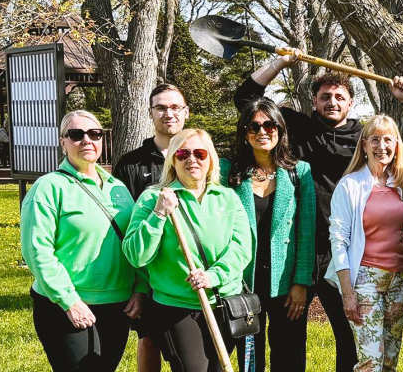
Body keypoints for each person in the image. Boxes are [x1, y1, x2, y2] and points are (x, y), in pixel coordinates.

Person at [235, 57, 403, 371]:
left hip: (343, 255)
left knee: (350, 338)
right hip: (299, 251)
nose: (332, 102)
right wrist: (281, 62)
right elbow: (247, 100)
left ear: (351, 103)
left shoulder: (362, 138)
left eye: (340, 97)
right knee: (290, 338)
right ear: (314, 101)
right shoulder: (297, 128)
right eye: (325, 96)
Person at [20, 110, 144, 371]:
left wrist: (140, 288)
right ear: (63, 142)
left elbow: (135, 243)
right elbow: (37, 251)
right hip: (66, 306)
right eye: (76, 135)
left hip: (117, 304)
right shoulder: (48, 187)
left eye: (95, 133)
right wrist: (69, 301)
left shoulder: (118, 188)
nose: (87, 140)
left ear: (102, 140)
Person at [123, 129, 252, 372]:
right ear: (173, 159)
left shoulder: (227, 198)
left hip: (223, 303)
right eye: (183, 153)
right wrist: (159, 213)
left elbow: (242, 248)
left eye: (200, 153)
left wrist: (213, 276)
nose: (191, 159)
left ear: (210, 159)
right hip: (176, 307)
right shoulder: (153, 198)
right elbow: (136, 255)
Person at [221, 100, 316, 372]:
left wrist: (301, 283)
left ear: (280, 129)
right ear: (244, 133)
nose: (262, 131)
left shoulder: (300, 172)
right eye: (254, 126)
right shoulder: (229, 172)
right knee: (249, 357)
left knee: (289, 353)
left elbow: (306, 232)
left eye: (269, 124)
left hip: (285, 283)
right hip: (243, 280)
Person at [326, 115, 403, 372]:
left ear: (397, 145)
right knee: (370, 361)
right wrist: (348, 293)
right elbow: (339, 240)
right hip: (365, 280)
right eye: (375, 140)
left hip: (400, 279)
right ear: (364, 145)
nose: (382, 146)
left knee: (390, 359)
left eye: (388, 140)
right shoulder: (350, 185)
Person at [112, 83, 190, 372]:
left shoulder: (200, 158)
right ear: (150, 113)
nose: (168, 113)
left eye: (174, 107)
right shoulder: (131, 164)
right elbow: (124, 230)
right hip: (149, 274)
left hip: (190, 274)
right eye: (161, 107)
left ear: (186, 112)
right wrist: (138, 287)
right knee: (149, 340)